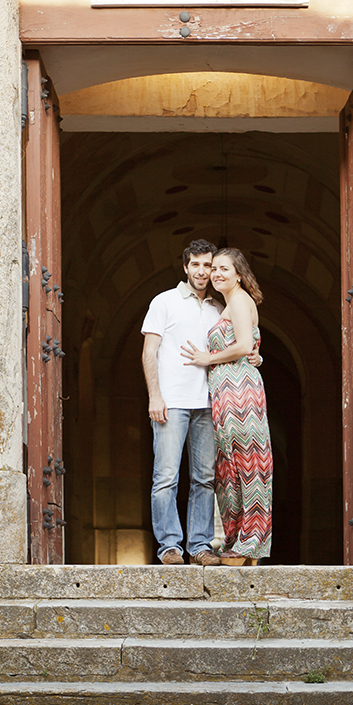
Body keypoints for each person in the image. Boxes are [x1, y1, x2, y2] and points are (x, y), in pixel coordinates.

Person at [182, 247, 273, 566]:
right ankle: (237, 540)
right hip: (224, 393)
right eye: (214, 269)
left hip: (239, 392)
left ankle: (250, 543)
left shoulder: (240, 300)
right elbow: (250, 346)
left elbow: (246, 345)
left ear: (239, 273)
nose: (217, 274)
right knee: (229, 468)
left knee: (249, 465)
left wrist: (209, 358)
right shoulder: (228, 304)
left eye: (224, 269)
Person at [141, 240, 224, 567]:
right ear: (186, 267)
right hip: (171, 402)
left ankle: (200, 546)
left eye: (208, 265)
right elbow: (150, 352)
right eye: (197, 265)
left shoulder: (218, 308)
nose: (202, 271)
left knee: (204, 478)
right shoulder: (164, 302)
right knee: (166, 477)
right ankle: (170, 547)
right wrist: (155, 395)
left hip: (207, 404)